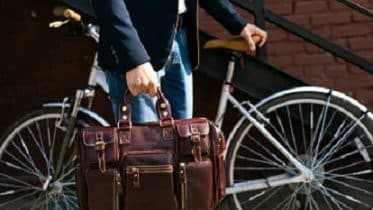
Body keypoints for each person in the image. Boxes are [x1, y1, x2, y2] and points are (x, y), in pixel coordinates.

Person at [91, 0, 267, 123]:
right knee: (144, 162)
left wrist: (237, 23)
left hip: (181, 42)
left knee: (183, 155)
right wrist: (134, 59)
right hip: (138, 49)